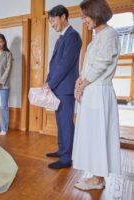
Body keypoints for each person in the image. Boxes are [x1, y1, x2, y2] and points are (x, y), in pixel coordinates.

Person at [72, 0, 121, 190]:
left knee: (99, 135)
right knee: (93, 135)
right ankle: (95, 176)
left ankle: (98, 179)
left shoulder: (110, 34)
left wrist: (83, 83)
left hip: (99, 91)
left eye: (85, 16)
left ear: (96, 13)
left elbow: (102, 64)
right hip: (93, 90)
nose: (83, 20)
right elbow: (90, 66)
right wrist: (80, 80)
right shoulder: (98, 36)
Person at [44, 5, 82, 169]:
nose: (52, 24)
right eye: (50, 21)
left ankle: (67, 158)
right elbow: (55, 64)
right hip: (57, 87)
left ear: (63, 17)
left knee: (66, 123)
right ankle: (62, 149)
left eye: (53, 20)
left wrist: (51, 83)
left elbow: (65, 64)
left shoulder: (73, 36)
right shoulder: (61, 38)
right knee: (60, 122)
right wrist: (48, 81)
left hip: (65, 89)